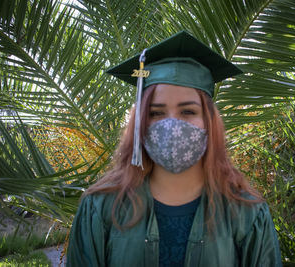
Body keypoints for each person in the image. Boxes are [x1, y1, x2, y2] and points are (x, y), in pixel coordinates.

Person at [66, 31, 282, 267]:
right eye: (156, 113)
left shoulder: (245, 213)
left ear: (209, 121)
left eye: (188, 112)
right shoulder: (101, 208)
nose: (172, 126)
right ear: (140, 122)